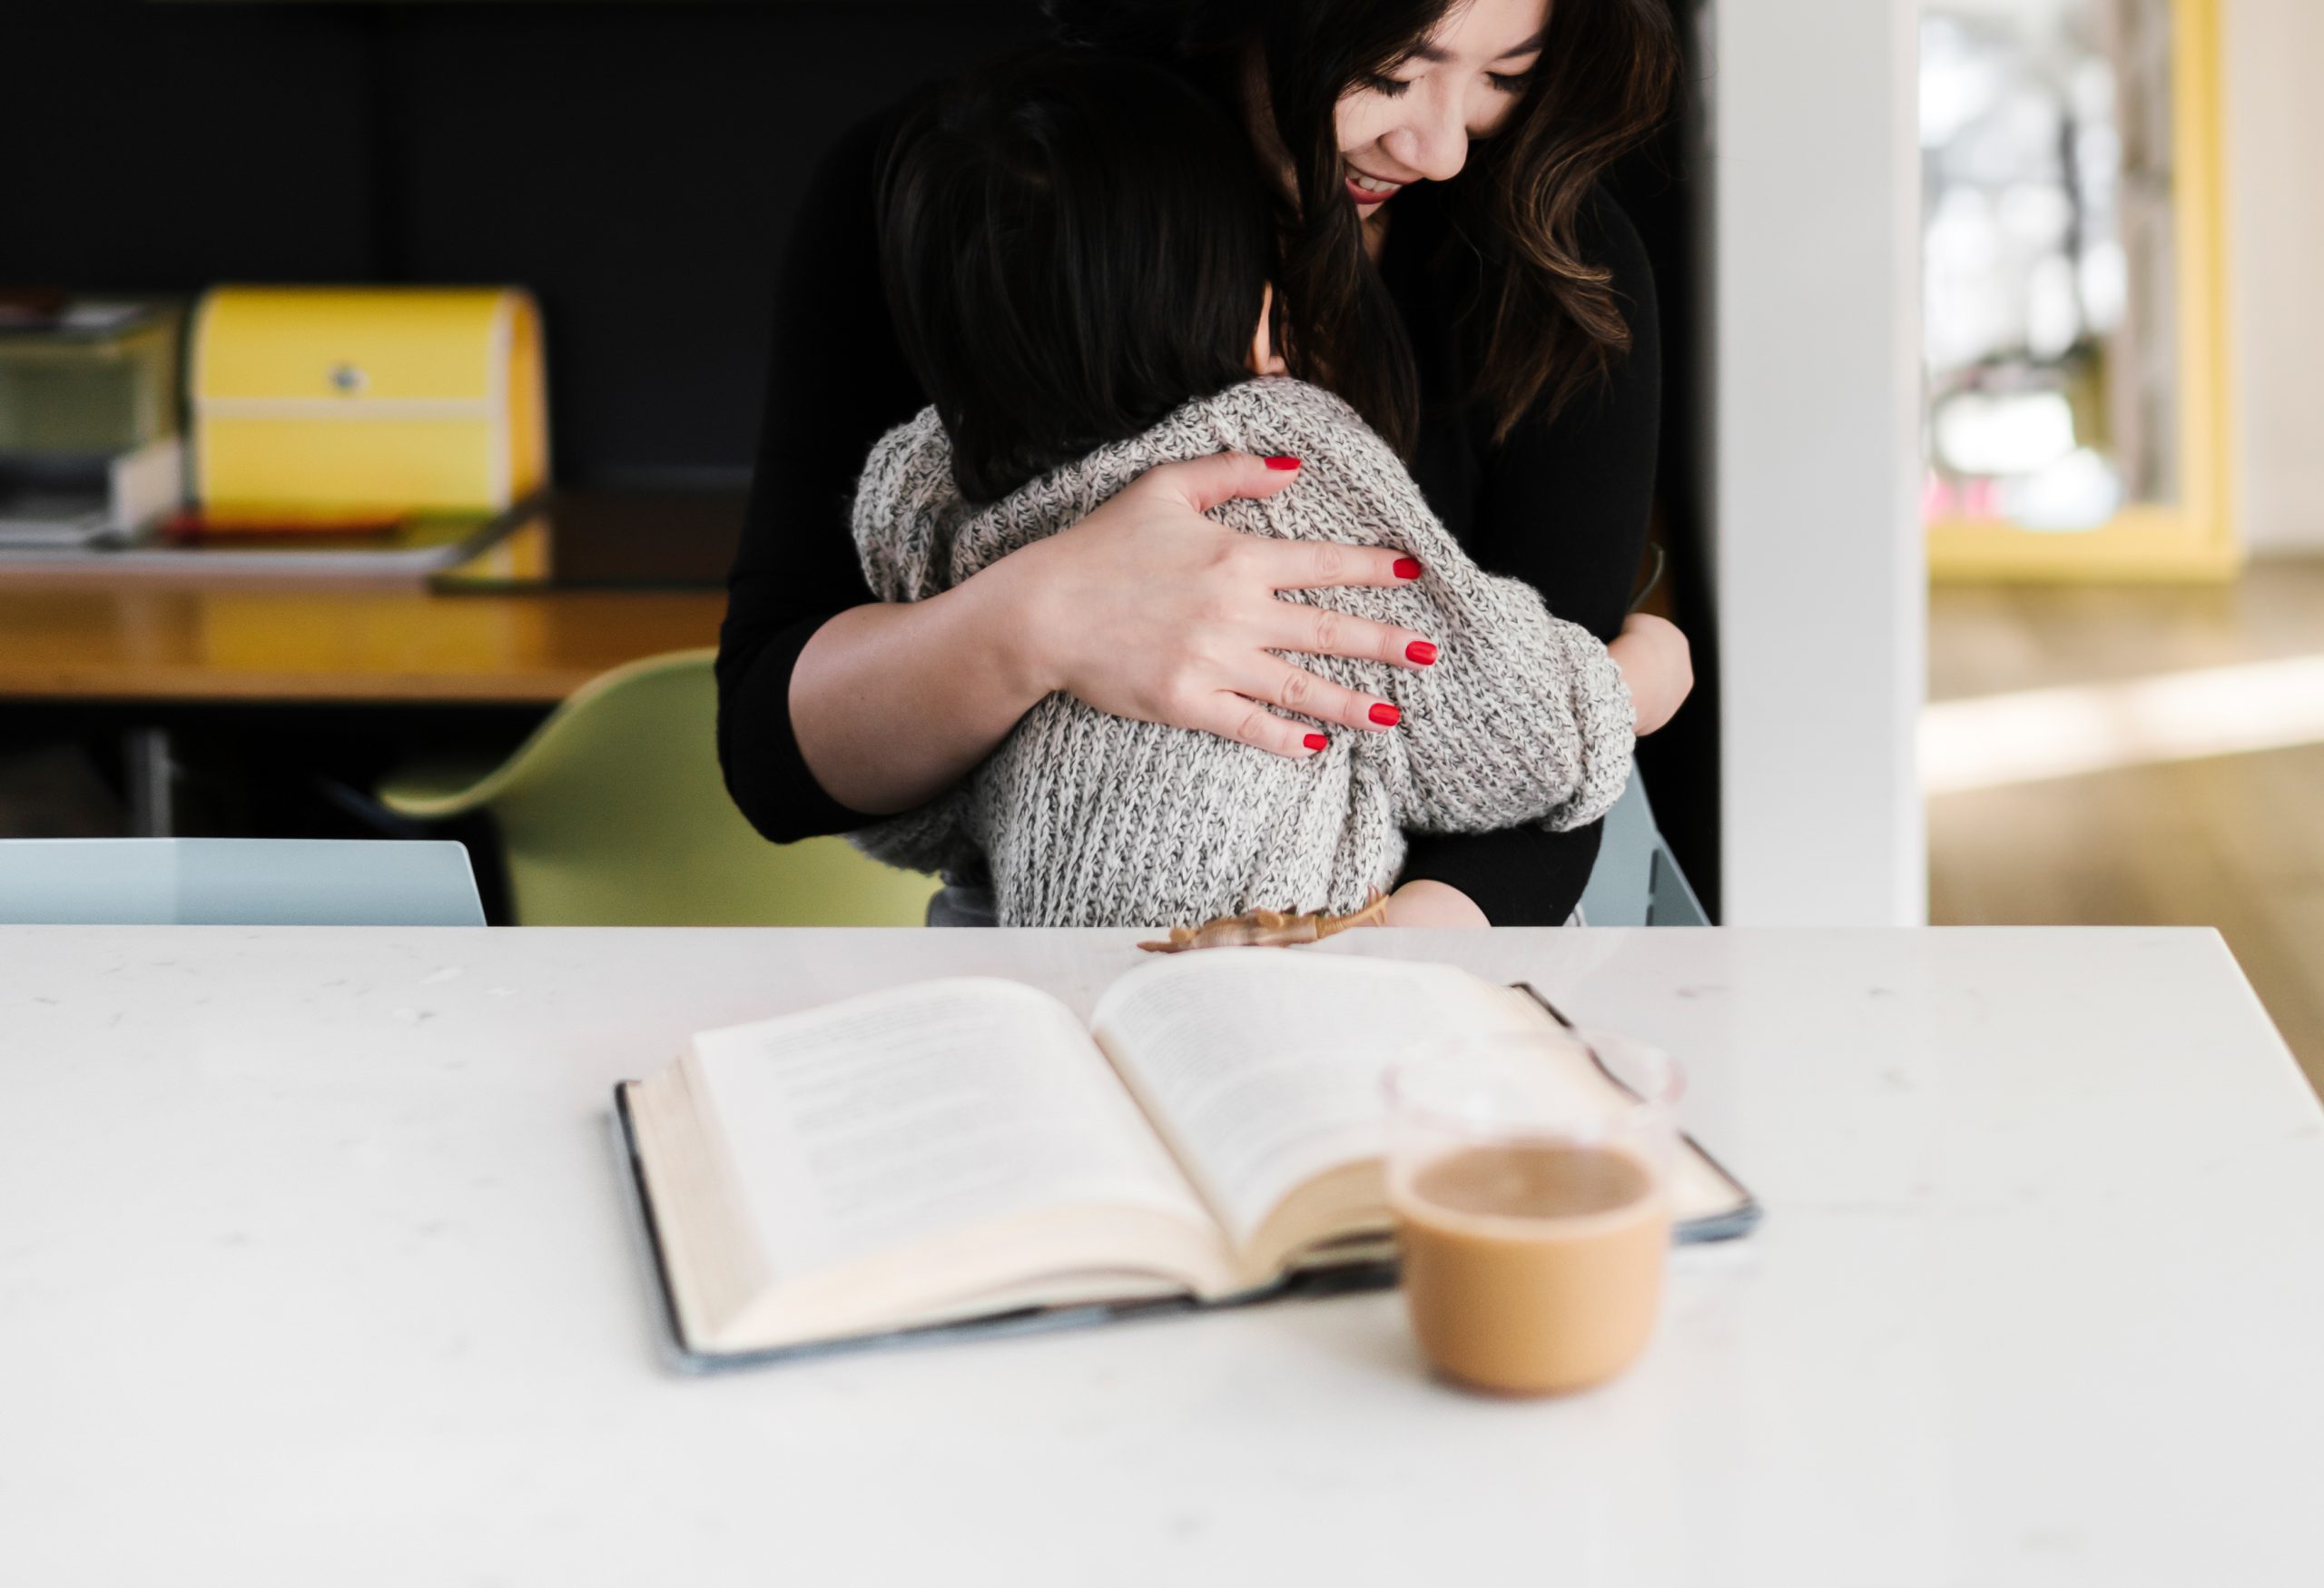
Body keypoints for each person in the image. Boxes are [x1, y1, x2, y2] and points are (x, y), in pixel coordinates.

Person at [717, 0, 1692, 927]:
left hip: (1427, 936)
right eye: (1388, 74)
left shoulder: (1555, 262)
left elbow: (1540, 812)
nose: (1440, 150)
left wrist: (1388, 958)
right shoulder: (973, 184)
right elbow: (777, 763)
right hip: (1042, 954)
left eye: (1505, 77)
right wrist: (1038, 618)